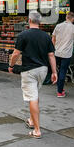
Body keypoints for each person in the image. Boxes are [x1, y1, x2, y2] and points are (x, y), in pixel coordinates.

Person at [9, 11, 58, 139]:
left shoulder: (23, 35)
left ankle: (37, 130)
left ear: (29, 20)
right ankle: (31, 120)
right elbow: (51, 55)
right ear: (39, 22)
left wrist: (11, 66)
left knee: (32, 98)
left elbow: (15, 54)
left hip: (29, 71)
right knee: (35, 95)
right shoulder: (46, 36)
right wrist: (54, 72)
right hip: (43, 70)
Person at [51, 11, 74, 98]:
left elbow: (53, 39)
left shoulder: (58, 26)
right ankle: (60, 92)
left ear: (66, 17)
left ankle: (59, 88)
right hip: (66, 54)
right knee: (63, 72)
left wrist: (53, 49)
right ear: (73, 19)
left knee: (58, 70)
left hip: (57, 52)